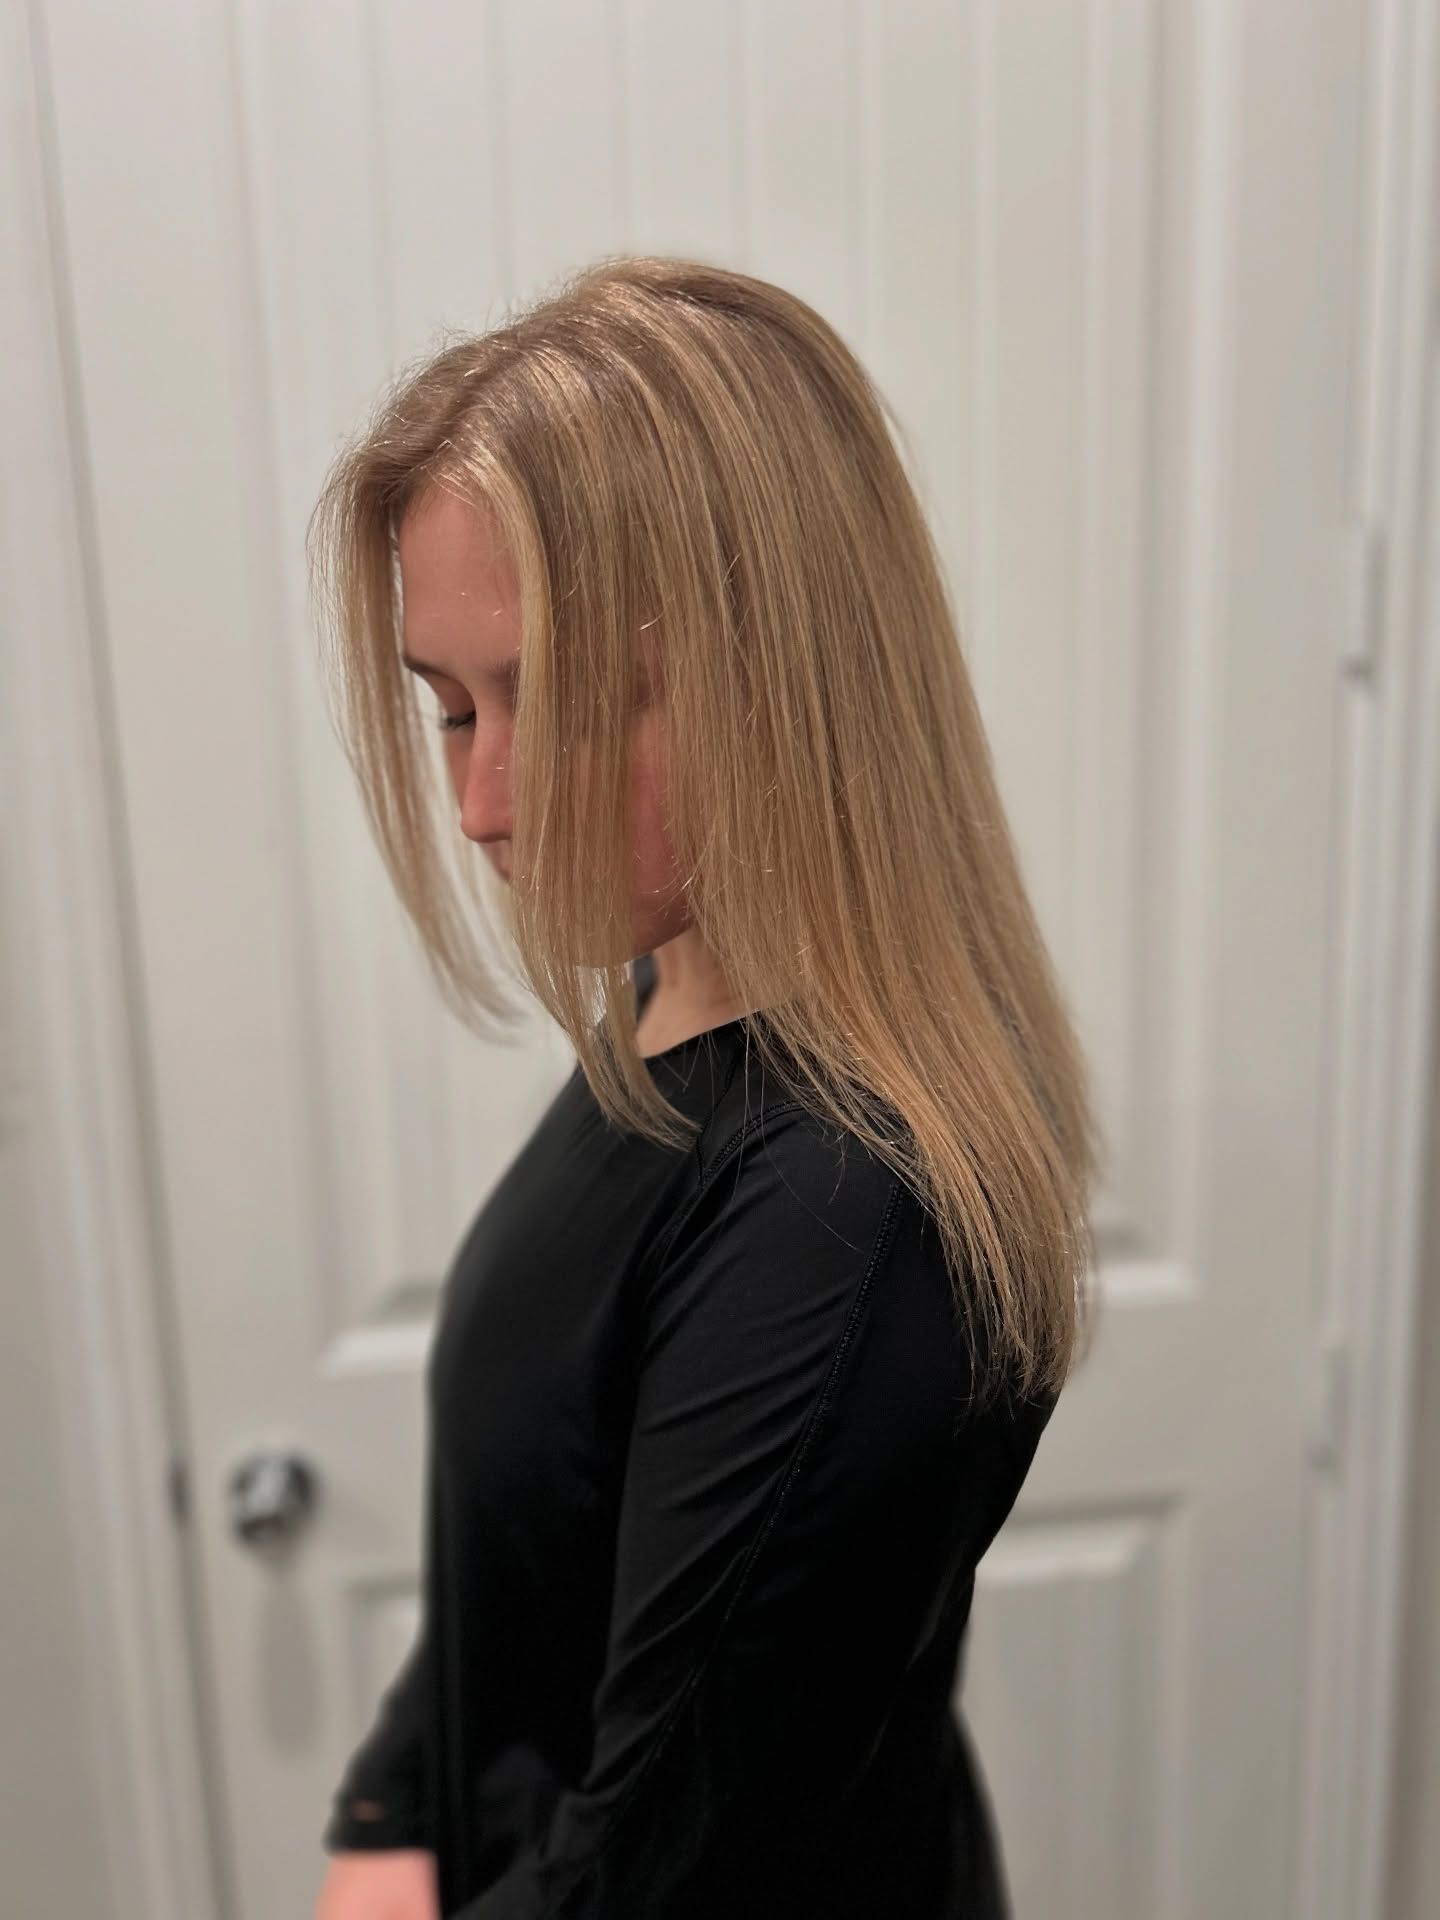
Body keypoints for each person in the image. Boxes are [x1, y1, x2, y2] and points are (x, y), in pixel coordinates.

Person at [307, 255, 1102, 1920]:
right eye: (449, 711)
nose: (484, 803)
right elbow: (532, 1541)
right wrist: (391, 1796)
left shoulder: (841, 1204)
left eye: (559, 699)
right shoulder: (673, 991)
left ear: (788, 669)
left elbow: (665, 1875)